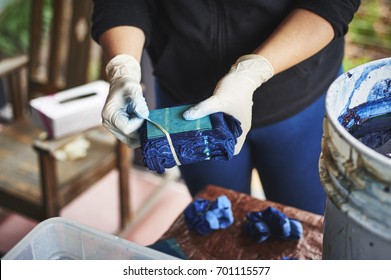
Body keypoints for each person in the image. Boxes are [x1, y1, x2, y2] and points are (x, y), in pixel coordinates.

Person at [91, 0, 360, 215]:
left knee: (310, 224)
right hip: (188, 104)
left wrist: (251, 73)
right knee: (218, 224)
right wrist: (123, 68)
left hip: (301, 97)